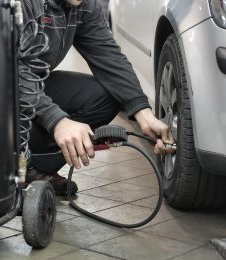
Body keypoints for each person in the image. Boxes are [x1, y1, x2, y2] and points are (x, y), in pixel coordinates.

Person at [20, 0, 174, 196]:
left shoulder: (83, 4)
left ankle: (31, 167)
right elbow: (8, 70)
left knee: (105, 96)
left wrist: (144, 114)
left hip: (29, 84)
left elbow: (107, 55)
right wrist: (57, 120)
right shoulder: (22, 4)